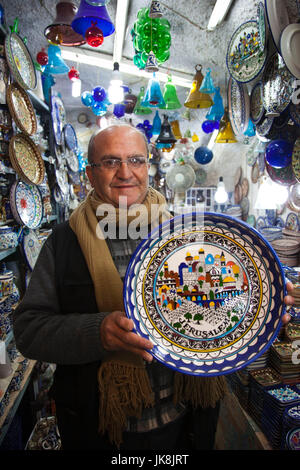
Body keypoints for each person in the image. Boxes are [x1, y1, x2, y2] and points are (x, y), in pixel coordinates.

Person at [13, 123, 294, 452]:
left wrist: (261, 306)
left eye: (135, 160)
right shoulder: (65, 241)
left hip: (187, 419)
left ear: (148, 166)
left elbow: (217, 301)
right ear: (90, 174)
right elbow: (28, 330)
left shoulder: (188, 231)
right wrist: (96, 331)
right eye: (110, 162)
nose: (125, 173)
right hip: (105, 428)